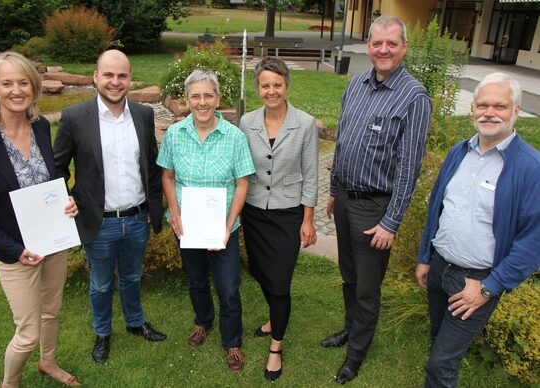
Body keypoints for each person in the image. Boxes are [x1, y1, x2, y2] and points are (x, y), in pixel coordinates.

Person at [0, 52, 80, 387]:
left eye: (23, 82)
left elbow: (51, 175)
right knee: (27, 333)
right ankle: (8, 383)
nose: (17, 90)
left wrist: (65, 198)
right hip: (16, 254)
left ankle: (49, 363)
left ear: (33, 87)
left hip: (53, 241)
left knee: (51, 312)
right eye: (7, 82)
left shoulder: (40, 126)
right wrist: (10, 248)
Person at [324, 16, 432, 384]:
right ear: (367, 45)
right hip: (345, 200)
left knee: (368, 288)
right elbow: (342, 143)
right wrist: (333, 191)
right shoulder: (355, 84)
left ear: (403, 47)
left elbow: (408, 168)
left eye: (391, 43)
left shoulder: (415, 97)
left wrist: (391, 221)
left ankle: (356, 355)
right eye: (376, 43)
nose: (383, 50)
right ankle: (349, 329)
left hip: (375, 208)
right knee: (349, 277)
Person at [416, 73, 540, 387]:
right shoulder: (460, 151)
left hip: (473, 281)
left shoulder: (530, 167)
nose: (489, 112)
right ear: (473, 109)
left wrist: (487, 288)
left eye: (499, 105)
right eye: (482, 104)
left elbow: (533, 241)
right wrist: (425, 257)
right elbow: (438, 210)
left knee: (442, 362)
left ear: (516, 111)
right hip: (440, 268)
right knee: (436, 342)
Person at [53, 49, 166, 364]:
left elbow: (152, 167)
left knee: (132, 276)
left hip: (136, 219)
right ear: (95, 77)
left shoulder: (144, 115)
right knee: (101, 283)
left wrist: (152, 209)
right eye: (108, 75)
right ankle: (103, 333)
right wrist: (65, 197)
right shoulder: (75, 117)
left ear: (130, 78)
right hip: (99, 222)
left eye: (122, 75)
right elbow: (57, 168)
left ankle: (134, 321)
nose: (115, 82)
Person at [157, 69, 255, 372]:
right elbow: (167, 175)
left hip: (222, 229)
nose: (202, 102)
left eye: (208, 95)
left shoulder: (235, 137)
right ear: (187, 99)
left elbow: (242, 183)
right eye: (195, 96)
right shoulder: (175, 134)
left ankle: (232, 342)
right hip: (187, 227)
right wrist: (174, 211)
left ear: (217, 98)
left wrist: (228, 225)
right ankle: (203, 322)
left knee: (228, 287)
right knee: (197, 281)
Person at [239, 57, 318, 381]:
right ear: (258, 88)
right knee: (259, 270)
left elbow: (311, 175)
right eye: (265, 85)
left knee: (281, 282)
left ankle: (275, 347)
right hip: (254, 211)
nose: (271, 91)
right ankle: (274, 316)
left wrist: (308, 219)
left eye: (277, 84)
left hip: (288, 214)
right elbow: (241, 167)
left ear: (287, 85)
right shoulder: (246, 122)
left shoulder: (306, 124)